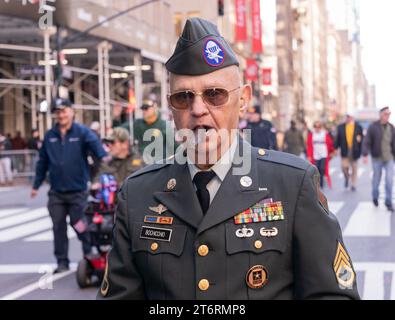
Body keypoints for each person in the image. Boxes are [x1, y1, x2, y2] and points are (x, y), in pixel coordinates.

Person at [98, 18, 359, 300]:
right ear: (170, 106)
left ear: (243, 99)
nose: (198, 109)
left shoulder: (293, 185)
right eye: (183, 97)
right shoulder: (138, 194)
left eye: (214, 94)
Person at [31, 98, 107, 273]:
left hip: (77, 192)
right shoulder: (50, 135)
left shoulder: (82, 132)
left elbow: (100, 154)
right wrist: (36, 185)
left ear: (72, 112)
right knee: (58, 227)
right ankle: (62, 262)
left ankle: (89, 254)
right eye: (58, 112)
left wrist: (101, 175)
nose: (61, 115)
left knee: (79, 223)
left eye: (64, 111)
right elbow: (42, 162)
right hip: (56, 193)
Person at [362, 106, 395, 212]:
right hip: (377, 158)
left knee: (389, 180)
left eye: (389, 114)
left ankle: (388, 202)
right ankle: (375, 196)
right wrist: (365, 154)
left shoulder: (391, 127)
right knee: (376, 179)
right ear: (381, 115)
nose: (387, 116)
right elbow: (367, 141)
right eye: (386, 114)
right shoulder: (373, 126)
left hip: (389, 157)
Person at [335, 113, 364, 191]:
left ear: (353, 117)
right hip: (344, 150)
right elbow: (337, 138)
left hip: (355, 150)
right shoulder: (341, 127)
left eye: (349, 117)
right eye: (347, 117)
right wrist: (336, 148)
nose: (348, 118)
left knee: (354, 168)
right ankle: (347, 177)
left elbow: (361, 139)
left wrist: (362, 150)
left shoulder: (358, 127)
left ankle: (353, 184)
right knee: (344, 167)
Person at [307, 121, 335, 189]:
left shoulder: (324, 134)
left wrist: (332, 151)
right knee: (316, 169)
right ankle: (317, 183)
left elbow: (330, 143)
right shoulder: (311, 134)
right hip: (315, 155)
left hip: (324, 154)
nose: (317, 128)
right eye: (316, 127)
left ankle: (322, 182)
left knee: (322, 169)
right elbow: (309, 145)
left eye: (319, 127)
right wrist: (309, 155)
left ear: (321, 127)